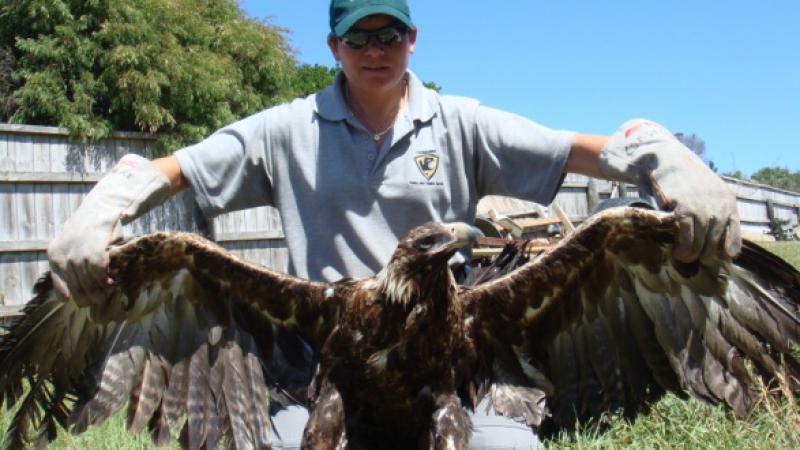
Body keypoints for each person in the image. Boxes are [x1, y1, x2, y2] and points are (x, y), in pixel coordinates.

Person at [46, 0, 741, 448]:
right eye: (357, 36)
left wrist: (658, 153)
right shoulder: (287, 130)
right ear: (334, 46)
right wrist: (106, 204)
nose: (373, 47)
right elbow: (181, 168)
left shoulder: (461, 120)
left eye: (388, 33)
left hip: (455, 364)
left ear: (413, 40)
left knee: (517, 449)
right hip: (324, 367)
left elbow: (576, 150)